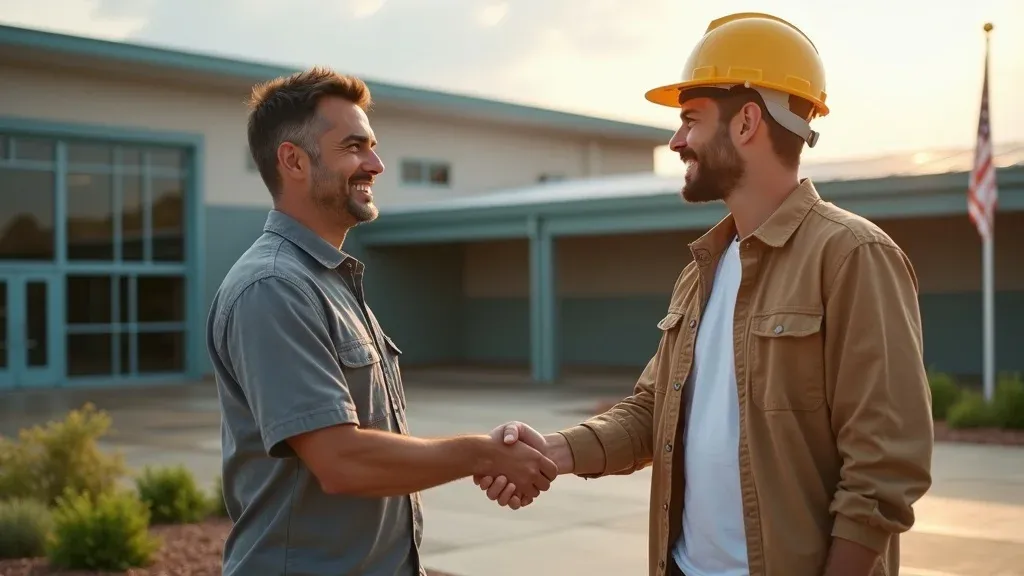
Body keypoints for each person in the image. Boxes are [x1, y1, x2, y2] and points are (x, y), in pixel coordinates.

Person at [474, 12, 934, 576]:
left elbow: (884, 469)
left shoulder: (853, 257)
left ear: (746, 123)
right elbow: (652, 411)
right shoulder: (702, 271)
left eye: (690, 120)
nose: (675, 141)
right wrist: (553, 451)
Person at [206, 67, 558, 576]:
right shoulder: (274, 287)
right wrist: (481, 454)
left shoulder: (328, 281)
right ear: (294, 160)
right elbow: (341, 460)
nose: (376, 164)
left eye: (371, 146)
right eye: (354, 147)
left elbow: (367, 447)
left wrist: (487, 451)